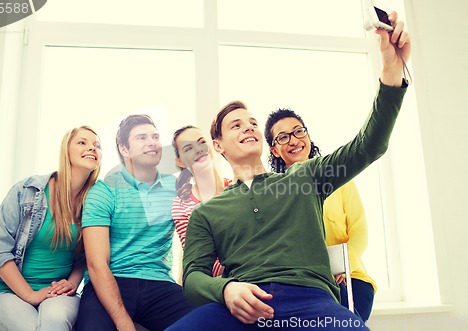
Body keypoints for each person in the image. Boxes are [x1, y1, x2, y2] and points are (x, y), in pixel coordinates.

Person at [166, 11, 410, 331]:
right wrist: (226, 289)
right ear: (219, 145)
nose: (248, 127)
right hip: (244, 306)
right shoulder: (207, 214)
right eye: (236, 125)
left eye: (252, 123)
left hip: (314, 304)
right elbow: (193, 278)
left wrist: (391, 70)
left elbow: (368, 146)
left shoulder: (304, 177)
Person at [75, 115, 195, 331]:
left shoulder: (176, 186)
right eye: (142, 138)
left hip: (160, 284)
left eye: (155, 137)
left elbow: (195, 236)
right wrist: (124, 324)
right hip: (111, 280)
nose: (152, 142)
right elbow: (96, 263)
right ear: (125, 149)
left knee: (208, 322)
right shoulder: (104, 191)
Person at [0, 126, 102, 331]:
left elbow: (85, 258)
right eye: (82, 142)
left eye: (97, 145)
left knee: (54, 322)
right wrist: (30, 295)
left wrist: (72, 283)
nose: (92, 148)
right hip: (8, 292)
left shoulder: (96, 202)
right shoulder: (28, 191)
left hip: (59, 295)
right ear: (66, 150)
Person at [264, 108, 377, 321]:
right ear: (275, 150)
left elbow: (359, 231)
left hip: (350, 279)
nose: (294, 140)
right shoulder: (273, 192)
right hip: (305, 284)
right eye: (283, 137)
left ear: (308, 136)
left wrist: (344, 267)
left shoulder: (342, 179)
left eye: (298, 131)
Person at [171, 125, 231, 280]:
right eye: (188, 148)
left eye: (201, 142)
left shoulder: (236, 188)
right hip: (216, 285)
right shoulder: (181, 205)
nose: (198, 150)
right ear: (180, 162)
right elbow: (198, 258)